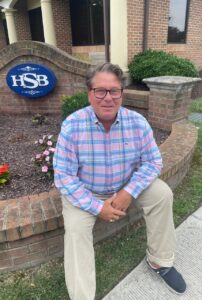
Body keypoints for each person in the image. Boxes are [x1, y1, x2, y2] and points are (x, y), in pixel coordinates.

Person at [53, 62, 186, 300]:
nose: (108, 98)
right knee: (75, 230)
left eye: (114, 91)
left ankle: (160, 261)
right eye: (100, 91)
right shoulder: (72, 126)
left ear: (122, 94)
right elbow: (64, 177)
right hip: (86, 193)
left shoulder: (137, 122)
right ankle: (82, 296)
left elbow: (153, 162)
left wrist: (129, 192)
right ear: (89, 94)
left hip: (126, 186)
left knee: (162, 194)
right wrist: (97, 207)